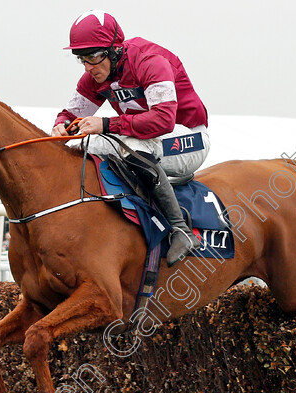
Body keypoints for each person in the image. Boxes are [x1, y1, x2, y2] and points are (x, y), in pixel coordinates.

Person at [51, 10, 209, 266]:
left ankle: (180, 229)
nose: (89, 67)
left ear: (114, 50)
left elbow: (163, 121)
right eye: (82, 59)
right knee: (82, 143)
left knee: (130, 145)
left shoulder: (151, 61)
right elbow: (69, 114)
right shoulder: (96, 75)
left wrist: (105, 124)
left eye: (93, 57)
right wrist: (62, 126)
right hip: (146, 140)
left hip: (188, 139)